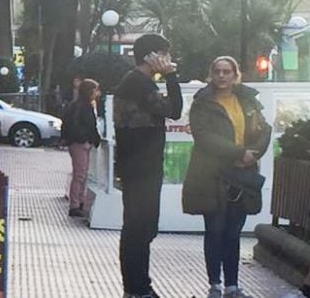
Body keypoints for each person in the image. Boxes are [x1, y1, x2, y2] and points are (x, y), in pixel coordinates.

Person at [182, 57, 271, 298]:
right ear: (212, 74)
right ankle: (215, 284)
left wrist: (253, 154)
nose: (222, 76)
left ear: (235, 75)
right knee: (215, 230)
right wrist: (239, 152)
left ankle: (232, 285)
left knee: (233, 232)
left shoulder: (248, 100)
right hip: (212, 175)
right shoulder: (203, 102)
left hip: (242, 174)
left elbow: (264, 130)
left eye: (227, 72)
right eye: (218, 72)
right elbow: (203, 136)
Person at [113, 33, 182, 298]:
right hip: (140, 167)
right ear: (152, 56)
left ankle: (138, 286)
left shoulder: (137, 82)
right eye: (166, 54)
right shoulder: (139, 83)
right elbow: (174, 109)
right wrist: (170, 76)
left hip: (140, 165)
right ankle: (137, 288)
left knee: (141, 228)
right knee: (138, 229)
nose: (169, 60)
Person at [62, 79, 102, 218]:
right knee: (80, 174)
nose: (98, 93)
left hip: (81, 142)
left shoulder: (81, 105)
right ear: (89, 91)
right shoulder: (81, 106)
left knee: (81, 174)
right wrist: (86, 138)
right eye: (96, 90)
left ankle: (79, 202)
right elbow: (80, 125)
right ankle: (75, 205)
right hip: (80, 143)